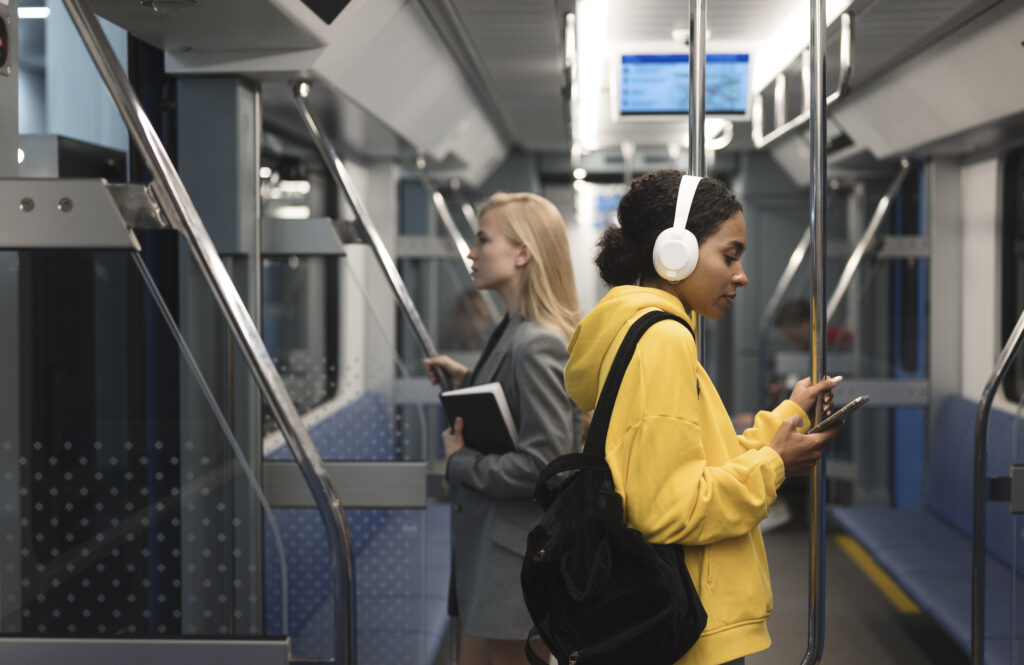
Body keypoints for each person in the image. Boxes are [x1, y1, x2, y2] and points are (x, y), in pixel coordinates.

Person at [562, 170, 842, 665]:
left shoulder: (638, 329)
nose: (741, 274)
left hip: (678, 614)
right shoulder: (663, 339)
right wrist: (775, 465)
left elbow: (701, 463)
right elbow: (670, 509)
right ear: (676, 252)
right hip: (689, 622)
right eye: (729, 255)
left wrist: (788, 415)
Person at [423, 192, 583, 665]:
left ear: (522, 252)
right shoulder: (513, 330)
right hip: (491, 550)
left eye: (482, 240)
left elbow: (544, 466)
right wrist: (468, 384)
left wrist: (461, 463)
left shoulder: (535, 343)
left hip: (512, 559)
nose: (471, 253)